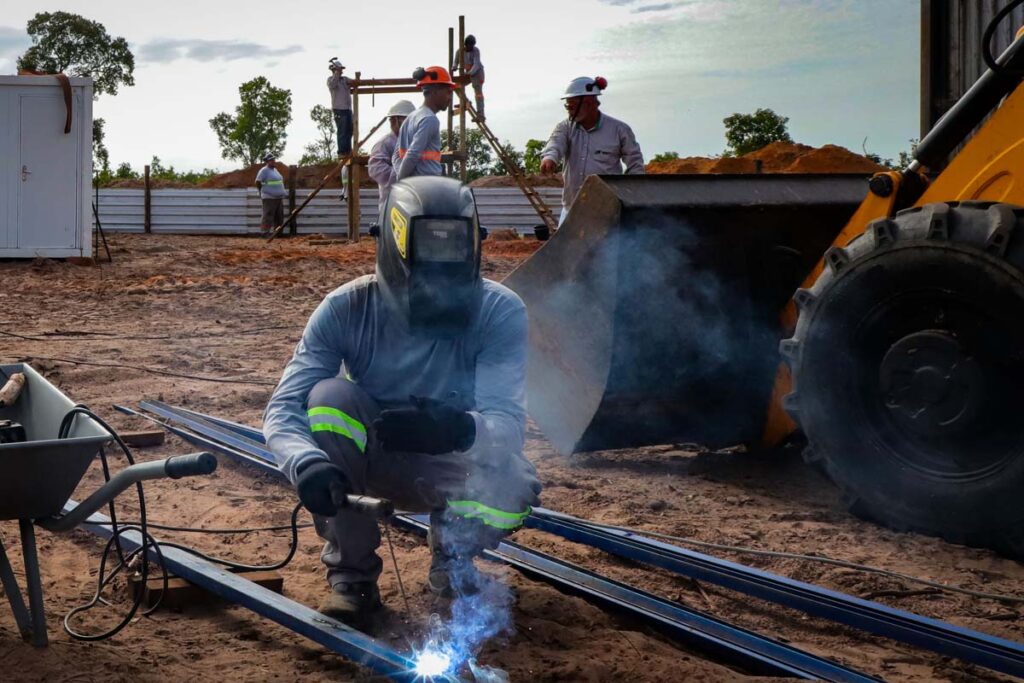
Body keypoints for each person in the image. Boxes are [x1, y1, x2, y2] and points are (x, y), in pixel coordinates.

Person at [263, 175, 542, 626]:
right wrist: (307, 464)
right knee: (329, 398)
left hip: (451, 464)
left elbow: (509, 425)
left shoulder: (500, 312)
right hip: (366, 465)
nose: (438, 292)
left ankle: (452, 558)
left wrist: (459, 429)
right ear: (392, 253)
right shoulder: (346, 308)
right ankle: (353, 580)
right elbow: (284, 407)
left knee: (515, 486)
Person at [540, 76, 645, 224]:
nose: (569, 111)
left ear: (588, 103)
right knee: (566, 247)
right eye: (567, 107)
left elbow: (635, 165)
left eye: (571, 107)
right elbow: (555, 143)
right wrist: (549, 158)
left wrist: (630, 195)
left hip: (606, 211)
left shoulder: (619, 130)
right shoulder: (565, 127)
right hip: (572, 210)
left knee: (608, 248)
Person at [393, 66, 458, 181]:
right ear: (435, 91)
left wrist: (404, 182)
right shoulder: (429, 119)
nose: (450, 98)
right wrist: (401, 180)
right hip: (428, 185)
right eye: (448, 92)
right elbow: (412, 154)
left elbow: (396, 156)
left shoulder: (410, 118)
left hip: (416, 186)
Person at [367, 100, 415, 216]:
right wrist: (402, 174)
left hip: (414, 205)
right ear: (395, 121)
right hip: (391, 207)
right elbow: (375, 169)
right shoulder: (385, 143)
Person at [453, 34, 485, 122]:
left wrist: (469, 73)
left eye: (472, 45)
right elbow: (455, 62)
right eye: (469, 45)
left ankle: (481, 115)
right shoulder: (459, 51)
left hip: (477, 73)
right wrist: (454, 67)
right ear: (465, 44)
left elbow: (476, 64)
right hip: (468, 73)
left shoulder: (476, 51)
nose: (470, 47)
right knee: (456, 85)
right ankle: (466, 101)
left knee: (478, 93)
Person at [255, 153, 287, 233]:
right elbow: (258, 182)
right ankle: (264, 232)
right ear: (267, 161)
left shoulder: (275, 170)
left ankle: (278, 233)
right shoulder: (264, 171)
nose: (273, 161)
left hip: (278, 198)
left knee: (279, 217)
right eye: (271, 160)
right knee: (268, 216)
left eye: (274, 160)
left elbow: (278, 181)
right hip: (269, 198)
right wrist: (261, 191)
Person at [327, 58, 353, 156]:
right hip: (339, 109)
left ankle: (348, 151)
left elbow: (354, 82)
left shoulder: (344, 79)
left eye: (341, 69)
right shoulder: (330, 80)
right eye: (339, 69)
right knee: (342, 131)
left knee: (349, 130)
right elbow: (333, 84)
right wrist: (337, 73)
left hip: (347, 109)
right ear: (334, 70)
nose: (341, 71)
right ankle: (342, 152)